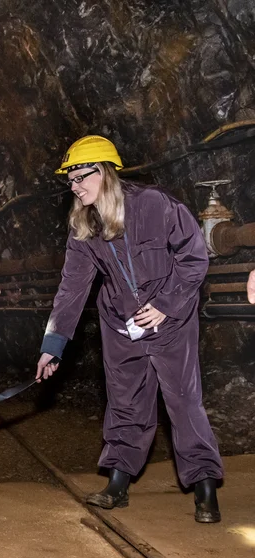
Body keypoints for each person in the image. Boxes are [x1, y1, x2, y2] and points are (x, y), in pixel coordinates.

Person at [35, 136, 224, 524]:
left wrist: (166, 305)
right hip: (120, 322)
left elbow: (194, 256)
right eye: (70, 180)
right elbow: (71, 288)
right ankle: (117, 484)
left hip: (170, 319)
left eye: (80, 177)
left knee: (183, 400)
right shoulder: (83, 225)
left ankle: (205, 487)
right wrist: (52, 345)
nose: (75, 186)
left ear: (103, 172)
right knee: (125, 402)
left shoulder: (155, 205)